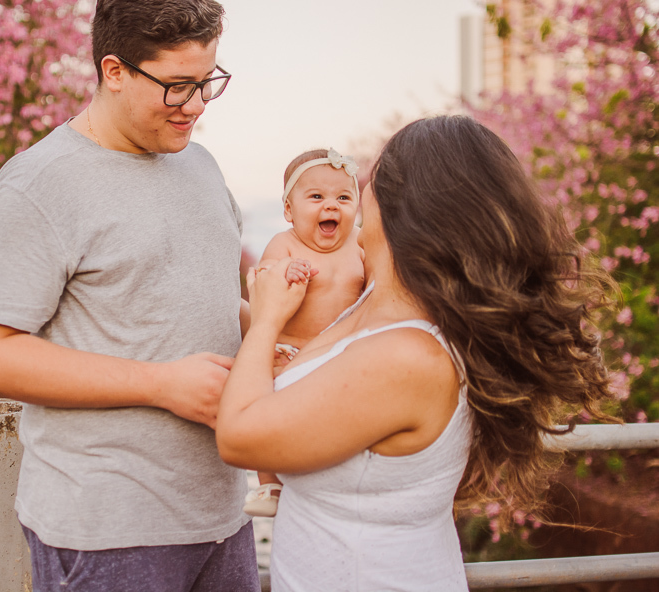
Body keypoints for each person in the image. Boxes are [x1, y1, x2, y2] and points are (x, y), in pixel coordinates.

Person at [217, 115, 615, 591]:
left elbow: (238, 437)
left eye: (370, 179)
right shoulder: (374, 305)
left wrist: (265, 323)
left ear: (399, 204)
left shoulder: (408, 356)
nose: (358, 191)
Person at [0, 0, 260, 590]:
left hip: (224, 518)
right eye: (178, 86)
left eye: (207, 81)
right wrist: (162, 384)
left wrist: (276, 334)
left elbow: (205, 300)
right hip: (105, 535)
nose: (197, 105)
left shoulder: (201, 165)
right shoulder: (39, 182)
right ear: (114, 70)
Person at [242, 148, 365, 518]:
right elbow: (263, 279)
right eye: (316, 197)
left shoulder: (360, 244)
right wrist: (283, 270)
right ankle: (270, 483)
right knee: (268, 410)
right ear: (289, 210)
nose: (331, 205)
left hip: (341, 357)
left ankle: (341, 477)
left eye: (343, 197)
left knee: (344, 418)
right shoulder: (286, 244)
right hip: (290, 354)